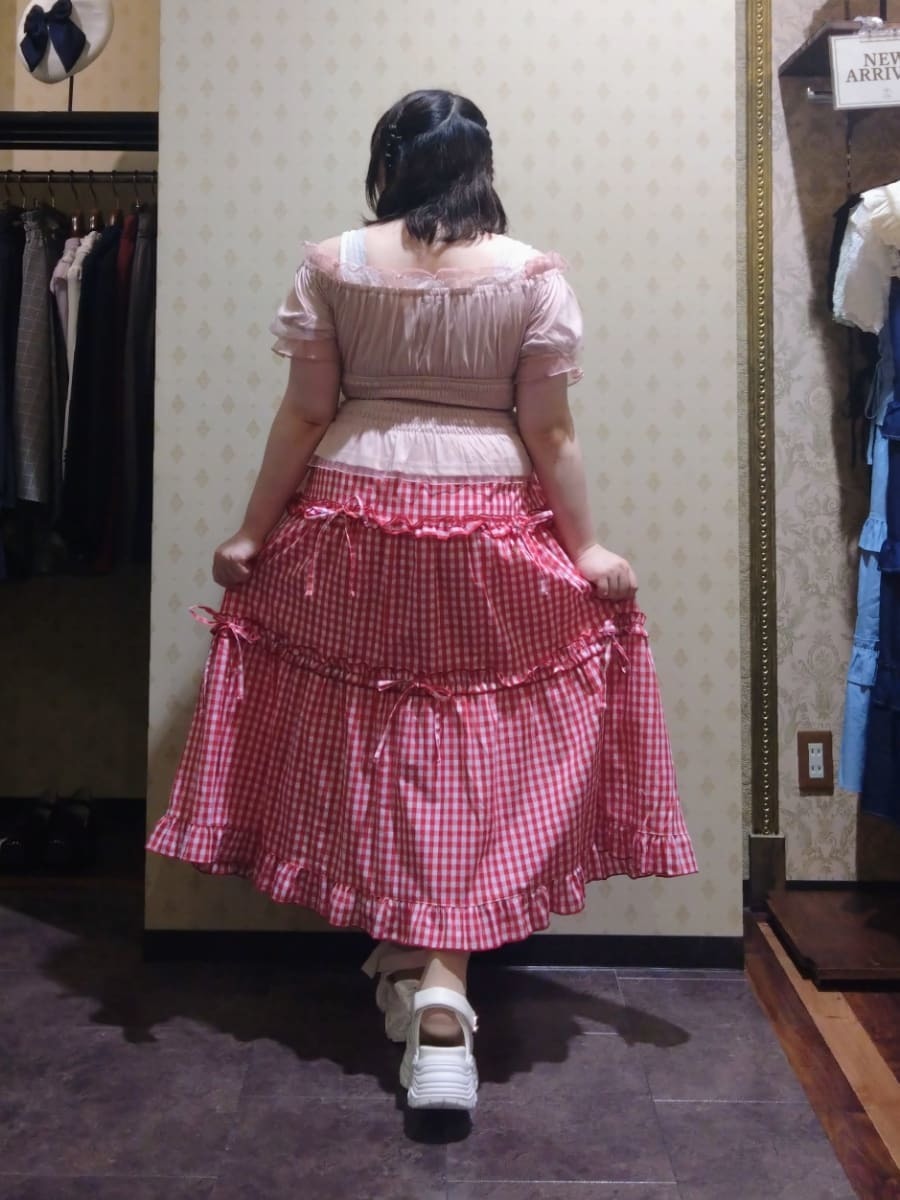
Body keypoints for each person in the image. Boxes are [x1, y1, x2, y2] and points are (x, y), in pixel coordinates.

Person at [146, 88, 697, 1112]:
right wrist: (587, 548)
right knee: (466, 740)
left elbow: (306, 413)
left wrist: (252, 533)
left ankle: (425, 977)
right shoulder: (530, 276)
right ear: (480, 164)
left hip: (353, 516)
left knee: (375, 732)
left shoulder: (335, 266)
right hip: (486, 521)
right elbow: (551, 433)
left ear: (388, 163)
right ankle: (437, 983)